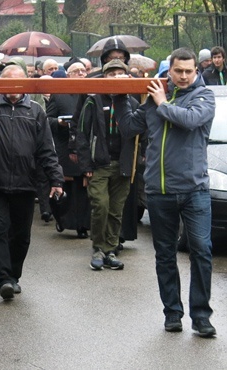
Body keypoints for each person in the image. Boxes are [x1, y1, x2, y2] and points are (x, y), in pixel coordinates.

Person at [113, 47, 217, 337]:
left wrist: (160, 102)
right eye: (178, 71)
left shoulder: (203, 96)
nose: (183, 76)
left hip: (194, 189)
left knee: (202, 252)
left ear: (196, 71)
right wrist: (120, 96)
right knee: (165, 255)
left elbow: (189, 120)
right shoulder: (156, 94)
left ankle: (201, 316)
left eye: (189, 71)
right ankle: (172, 313)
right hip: (159, 192)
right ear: (169, 70)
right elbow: (129, 128)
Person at [0, 65, 63, 300]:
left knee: (21, 234)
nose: (13, 88)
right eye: (8, 82)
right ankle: (4, 279)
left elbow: (46, 149)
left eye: (19, 82)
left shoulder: (35, 111)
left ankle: (14, 275)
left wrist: (55, 179)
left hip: (26, 182)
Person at [76, 60, 139, 271]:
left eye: (120, 73)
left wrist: (137, 161)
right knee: (100, 206)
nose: (116, 77)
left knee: (116, 209)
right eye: (111, 74)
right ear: (104, 77)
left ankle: (111, 250)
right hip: (99, 164)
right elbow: (82, 134)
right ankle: (98, 249)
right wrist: (86, 165)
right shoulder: (93, 101)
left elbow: (142, 135)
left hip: (123, 164)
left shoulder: (133, 103)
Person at [45, 62, 90, 238]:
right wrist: (60, 123)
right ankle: (63, 219)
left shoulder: (92, 94)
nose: (80, 74)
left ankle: (82, 225)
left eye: (83, 71)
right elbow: (47, 120)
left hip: (85, 146)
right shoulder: (59, 95)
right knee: (69, 188)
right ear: (68, 75)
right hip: (65, 146)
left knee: (84, 190)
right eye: (76, 71)